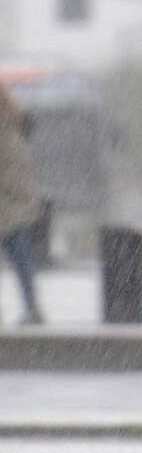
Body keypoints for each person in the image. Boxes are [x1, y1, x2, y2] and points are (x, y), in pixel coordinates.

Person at [0, 85, 46, 325]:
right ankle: (32, 307)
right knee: (20, 254)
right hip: (14, 202)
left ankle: (32, 307)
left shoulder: (6, 131)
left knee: (19, 252)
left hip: (9, 201)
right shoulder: (13, 125)